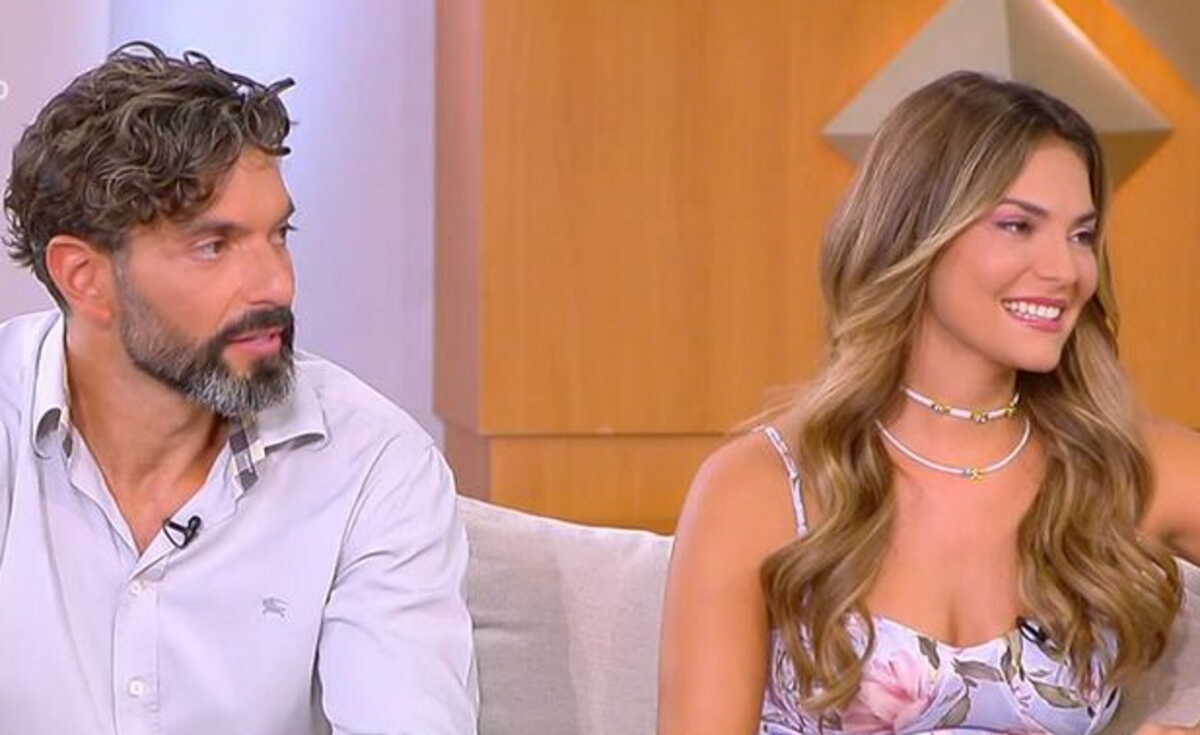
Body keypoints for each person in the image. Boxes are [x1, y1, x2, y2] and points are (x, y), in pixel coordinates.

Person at [658, 71, 1200, 735]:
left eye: (1081, 235)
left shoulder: (1130, 464)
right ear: (917, 233)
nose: (1066, 271)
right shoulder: (759, 489)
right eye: (1018, 225)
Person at [0, 42, 477, 734]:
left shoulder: (374, 468)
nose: (277, 285)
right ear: (85, 277)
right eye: (213, 246)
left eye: (279, 234)